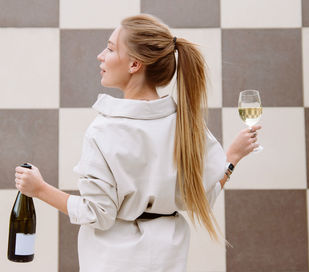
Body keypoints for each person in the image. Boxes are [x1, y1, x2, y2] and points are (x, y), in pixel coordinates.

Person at [15, 13, 262, 272]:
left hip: (112, 262)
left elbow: (97, 214)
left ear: (134, 64)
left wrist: (39, 189)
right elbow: (199, 197)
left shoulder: (104, 130)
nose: (101, 56)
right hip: (169, 260)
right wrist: (231, 158)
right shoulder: (188, 125)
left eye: (110, 49)